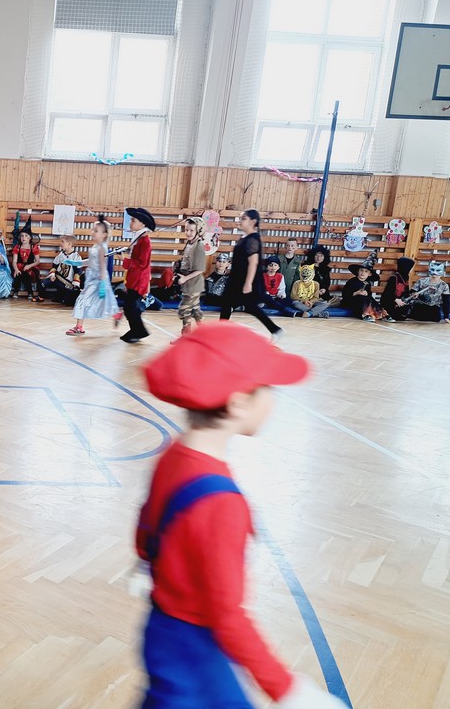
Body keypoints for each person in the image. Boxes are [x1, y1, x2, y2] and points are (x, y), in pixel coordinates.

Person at [137, 321, 346, 709]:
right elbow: (227, 615)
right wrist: (288, 689)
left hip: (163, 629)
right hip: (195, 649)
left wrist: (148, 563)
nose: (274, 400)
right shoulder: (222, 502)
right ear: (238, 403)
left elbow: (147, 522)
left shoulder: (175, 453)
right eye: (268, 389)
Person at [220, 209, 283, 340]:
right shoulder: (245, 238)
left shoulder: (253, 239)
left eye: (244, 219)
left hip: (245, 280)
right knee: (230, 304)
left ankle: (275, 329)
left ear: (253, 222)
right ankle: (221, 332)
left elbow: (253, 263)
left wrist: (248, 283)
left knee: (248, 306)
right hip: (237, 278)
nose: (240, 221)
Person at [68, 215, 119, 336]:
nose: (93, 232)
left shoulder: (102, 248)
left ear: (104, 234)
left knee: (82, 300)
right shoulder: (95, 246)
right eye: (93, 230)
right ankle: (117, 315)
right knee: (107, 300)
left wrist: (102, 284)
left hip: (98, 279)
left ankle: (79, 327)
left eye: (96, 231)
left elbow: (102, 267)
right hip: (91, 278)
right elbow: (91, 261)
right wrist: (77, 263)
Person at [120, 207, 155, 344]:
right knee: (130, 307)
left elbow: (141, 264)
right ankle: (136, 330)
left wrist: (125, 260)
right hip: (135, 278)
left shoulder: (144, 241)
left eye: (133, 220)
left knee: (130, 306)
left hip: (138, 280)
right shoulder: (139, 238)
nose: (130, 223)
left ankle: (139, 330)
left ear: (142, 224)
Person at [174, 216, 206, 337]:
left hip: (194, 285)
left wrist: (185, 278)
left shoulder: (199, 246)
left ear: (199, 231)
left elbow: (200, 269)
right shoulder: (189, 243)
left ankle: (186, 336)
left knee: (184, 309)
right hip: (190, 284)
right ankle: (206, 333)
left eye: (191, 230)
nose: (188, 233)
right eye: (186, 230)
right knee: (195, 310)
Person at [10, 214, 43, 302]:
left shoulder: (34, 247)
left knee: (26, 274)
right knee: (18, 273)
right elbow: (14, 261)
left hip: (30, 268)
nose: (23, 238)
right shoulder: (17, 247)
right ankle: (16, 291)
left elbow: (37, 261)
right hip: (19, 266)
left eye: (26, 236)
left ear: (30, 237)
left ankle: (30, 292)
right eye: (22, 236)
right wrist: (16, 269)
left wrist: (29, 266)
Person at [47, 234, 83, 305]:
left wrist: (75, 283)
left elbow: (78, 271)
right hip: (58, 279)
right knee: (44, 283)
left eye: (62, 241)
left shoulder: (76, 257)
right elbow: (54, 266)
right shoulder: (60, 255)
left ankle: (64, 297)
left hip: (68, 282)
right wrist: (52, 274)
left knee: (69, 300)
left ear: (69, 244)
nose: (60, 243)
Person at [379, 257, 415, 322]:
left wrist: (412, 294)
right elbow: (387, 294)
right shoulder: (394, 278)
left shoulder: (405, 278)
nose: (411, 269)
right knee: (397, 315)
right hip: (390, 302)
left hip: (399, 303)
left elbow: (405, 293)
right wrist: (395, 299)